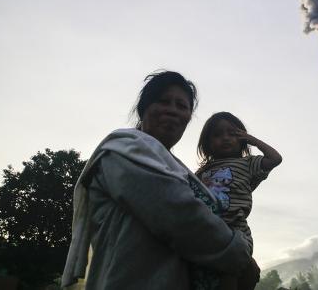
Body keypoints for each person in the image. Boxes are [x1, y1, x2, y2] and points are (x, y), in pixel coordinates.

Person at [62, 71, 253, 290]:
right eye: (164, 101)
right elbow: (180, 216)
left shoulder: (176, 167)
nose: (173, 110)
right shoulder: (123, 151)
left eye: (182, 106)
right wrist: (238, 252)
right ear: (144, 108)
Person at [196, 112, 282, 290]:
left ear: (242, 139)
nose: (225, 138)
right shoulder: (201, 172)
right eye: (217, 135)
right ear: (207, 144)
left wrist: (252, 140)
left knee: (230, 271)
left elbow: (275, 159)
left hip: (236, 231)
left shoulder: (247, 164)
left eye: (232, 134)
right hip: (209, 231)